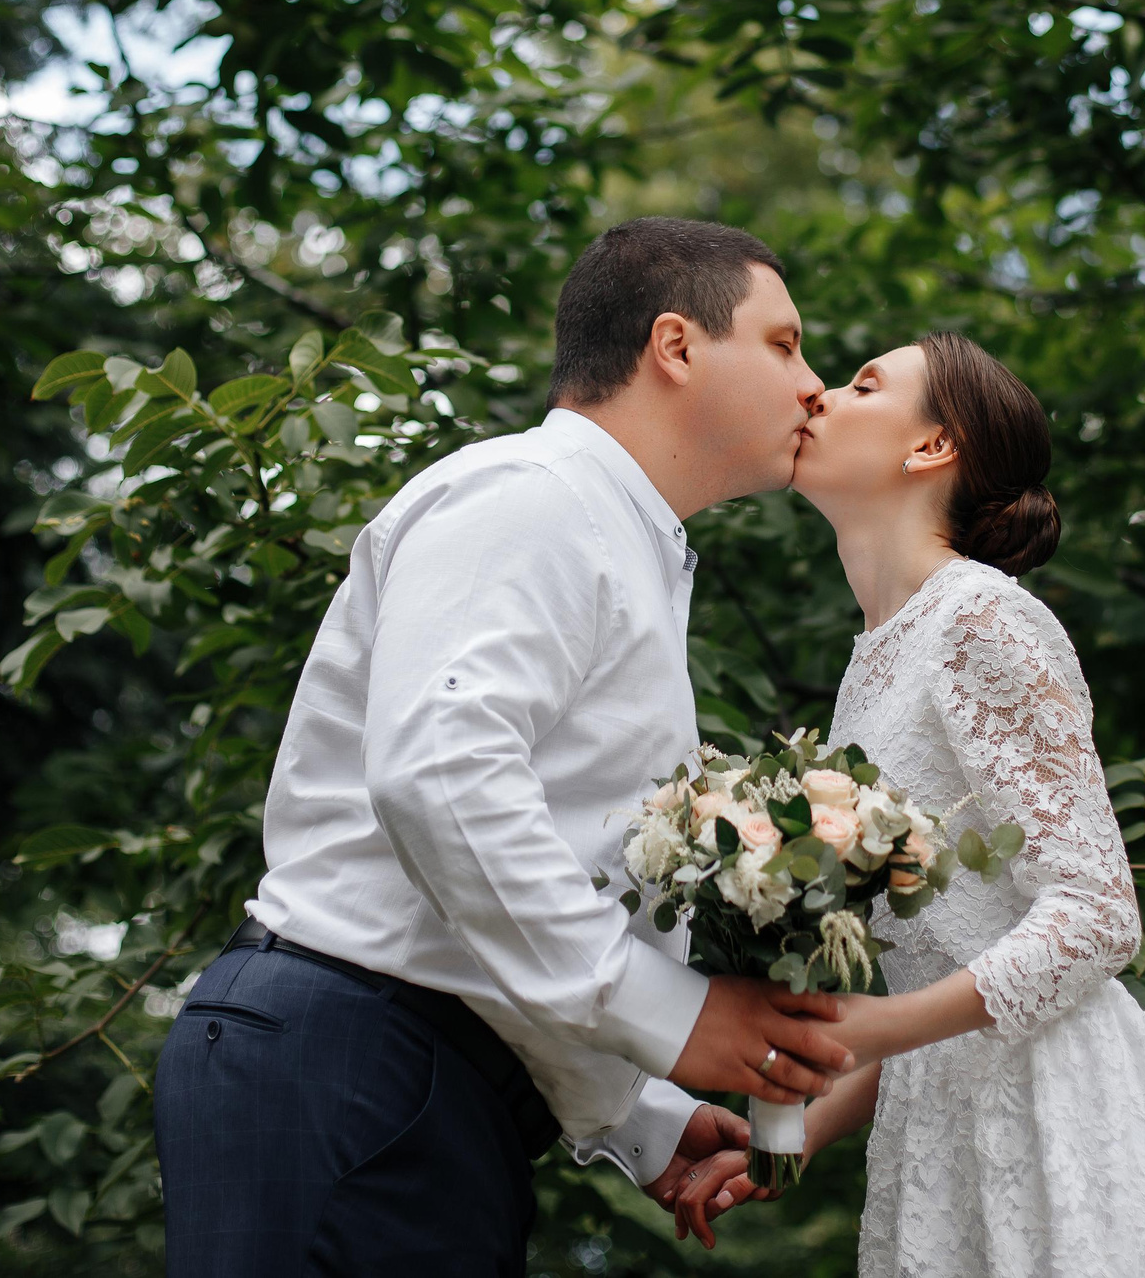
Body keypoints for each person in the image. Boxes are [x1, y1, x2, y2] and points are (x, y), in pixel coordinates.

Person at [153, 217, 858, 1277]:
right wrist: (669, 1014)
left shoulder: (615, 537)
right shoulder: (534, 498)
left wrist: (637, 1116)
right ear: (674, 346)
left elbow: (497, 893)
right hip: (351, 1063)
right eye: (782, 342)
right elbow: (441, 778)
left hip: (417, 1086)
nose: (813, 386)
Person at [673, 332, 1145, 1276]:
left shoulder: (981, 615)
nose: (816, 396)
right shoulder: (868, 674)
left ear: (931, 447)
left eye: (862, 385)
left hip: (1059, 1109)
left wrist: (875, 1027)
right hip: (936, 1131)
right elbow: (933, 977)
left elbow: (1098, 915)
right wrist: (803, 1132)